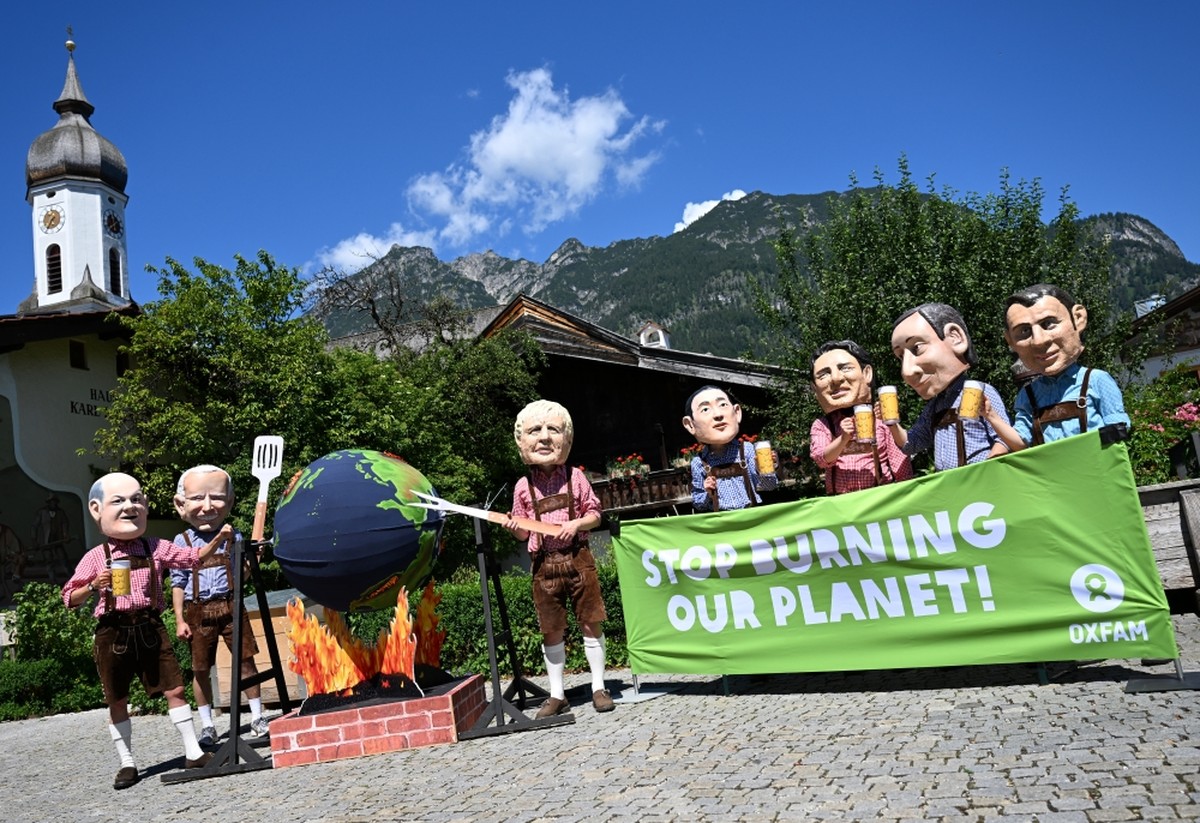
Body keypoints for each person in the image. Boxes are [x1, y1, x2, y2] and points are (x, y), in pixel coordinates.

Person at [62, 472, 220, 790]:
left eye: (136, 500)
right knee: (117, 699)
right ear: (97, 509)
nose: (130, 507)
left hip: (150, 626)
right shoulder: (96, 557)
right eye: (118, 501)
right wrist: (94, 585)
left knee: (174, 689)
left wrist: (219, 540)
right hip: (113, 633)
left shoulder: (155, 547)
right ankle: (127, 764)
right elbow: (69, 598)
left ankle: (193, 752)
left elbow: (191, 558)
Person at [502, 399, 614, 716]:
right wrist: (513, 527)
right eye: (535, 430)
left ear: (566, 437)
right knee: (551, 628)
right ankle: (556, 694)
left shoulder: (575, 477)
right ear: (522, 440)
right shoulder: (523, 486)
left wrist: (576, 523)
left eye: (553, 429)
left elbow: (595, 514)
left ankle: (598, 687)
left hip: (578, 558)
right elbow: (523, 534)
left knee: (591, 622)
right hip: (544, 567)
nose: (545, 437)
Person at [169, 465, 268, 748]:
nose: (207, 507)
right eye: (198, 498)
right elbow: (177, 582)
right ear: (181, 505)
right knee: (201, 669)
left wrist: (254, 561)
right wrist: (179, 619)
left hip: (231, 606)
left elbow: (241, 575)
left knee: (246, 661)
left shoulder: (234, 536)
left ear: (231, 501)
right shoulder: (182, 541)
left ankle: (258, 716)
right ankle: (208, 725)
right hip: (198, 612)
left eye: (216, 498)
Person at [1003, 282, 1130, 446]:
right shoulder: (1028, 395)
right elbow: (1021, 440)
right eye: (1024, 331)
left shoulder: (1096, 380)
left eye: (1048, 323)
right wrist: (990, 415)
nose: (1039, 341)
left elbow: (1119, 426)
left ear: (1078, 318)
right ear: (1010, 341)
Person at [888, 302, 1012, 470]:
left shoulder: (980, 391)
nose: (907, 371)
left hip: (981, 480)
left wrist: (987, 470)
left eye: (917, 348)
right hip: (949, 487)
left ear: (956, 337)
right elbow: (913, 444)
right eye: (901, 357)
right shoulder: (934, 407)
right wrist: (892, 423)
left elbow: (1004, 438)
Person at [809, 340, 912, 494]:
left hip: (881, 497)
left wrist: (907, 494)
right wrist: (843, 439)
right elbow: (821, 459)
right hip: (843, 503)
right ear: (814, 388)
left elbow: (901, 466)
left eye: (845, 368)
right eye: (824, 374)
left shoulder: (882, 417)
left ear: (867, 374)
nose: (835, 378)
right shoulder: (823, 425)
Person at [682, 385, 778, 511]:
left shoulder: (747, 450)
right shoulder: (699, 462)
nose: (718, 415)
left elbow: (769, 487)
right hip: (723, 523)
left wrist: (763, 471)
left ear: (737, 412)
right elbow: (699, 504)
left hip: (752, 516)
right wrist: (707, 493)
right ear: (690, 425)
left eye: (722, 405)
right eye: (705, 409)